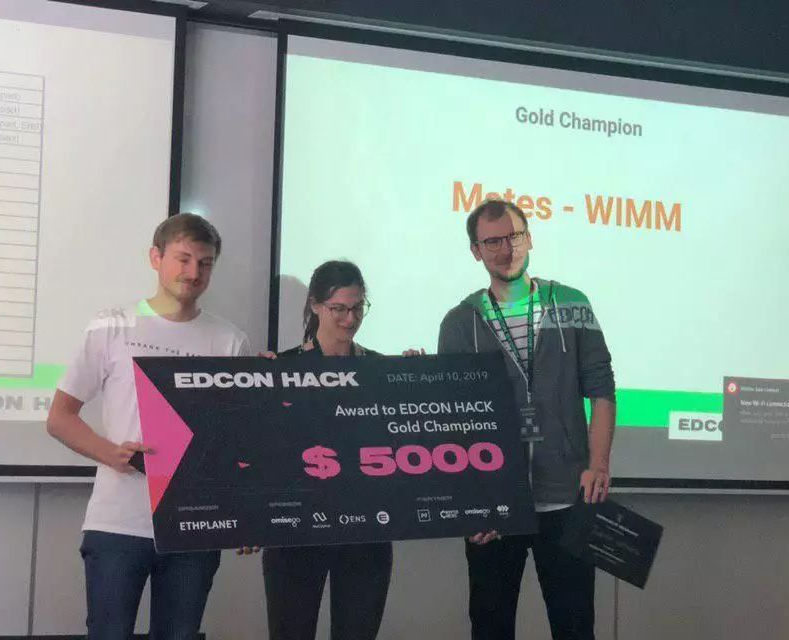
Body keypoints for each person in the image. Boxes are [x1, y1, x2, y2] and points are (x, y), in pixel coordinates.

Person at [46, 213, 250, 639]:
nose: (193, 273)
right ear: (155, 258)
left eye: (205, 263)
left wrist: (247, 515)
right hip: (119, 522)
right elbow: (60, 417)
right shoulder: (111, 326)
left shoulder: (230, 341)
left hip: (194, 527)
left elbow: (240, 441)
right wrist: (110, 453)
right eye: (183, 259)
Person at [438, 200, 616, 640]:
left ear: (529, 238)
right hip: (495, 507)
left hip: (568, 500)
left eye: (514, 236)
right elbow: (453, 421)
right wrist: (469, 502)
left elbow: (602, 389)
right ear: (476, 251)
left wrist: (598, 464)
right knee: (491, 627)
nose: (507, 249)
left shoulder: (572, 304)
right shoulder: (460, 322)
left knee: (576, 627)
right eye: (492, 241)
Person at [259, 260, 421, 640]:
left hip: (367, 531)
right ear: (315, 306)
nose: (350, 319)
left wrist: (416, 383)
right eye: (339, 309)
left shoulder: (381, 370)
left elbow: (407, 442)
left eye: (358, 308)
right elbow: (261, 451)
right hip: (295, 533)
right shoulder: (281, 368)